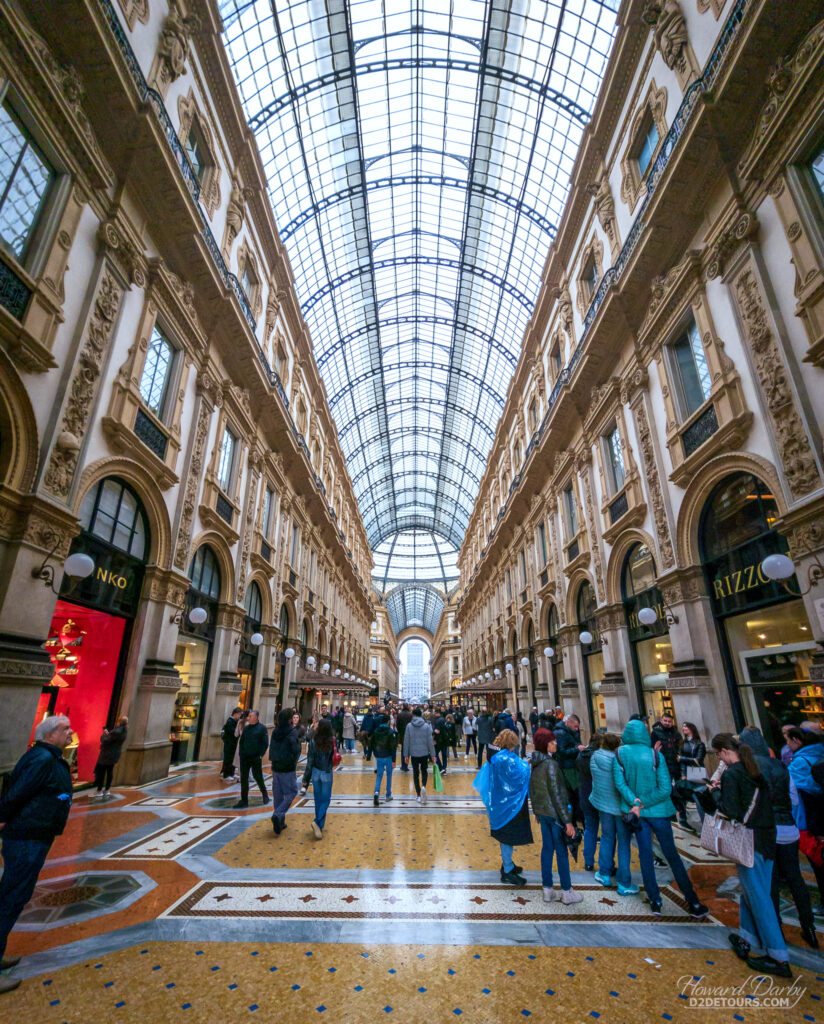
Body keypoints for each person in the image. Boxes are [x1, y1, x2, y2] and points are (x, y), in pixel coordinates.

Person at [0, 716, 74, 994]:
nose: (70, 733)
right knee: (10, 897)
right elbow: (15, 794)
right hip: (27, 837)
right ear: (50, 734)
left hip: (35, 834)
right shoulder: (42, 759)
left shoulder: (46, 757)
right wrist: (3, 818)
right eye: (65, 729)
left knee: (14, 895)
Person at [711, 733, 790, 977]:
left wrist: (713, 794)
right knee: (753, 891)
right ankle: (747, 938)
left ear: (724, 752)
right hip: (767, 837)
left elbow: (730, 810)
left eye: (717, 755)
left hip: (749, 840)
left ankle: (778, 956)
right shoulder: (755, 770)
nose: (718, 759)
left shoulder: (733, 773)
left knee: (759, 898)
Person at [613, 719, 708, 919]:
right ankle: (693, 901)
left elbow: (620, 784)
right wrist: (645, 802)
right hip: (659, 813)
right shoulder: (656, 755)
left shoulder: (620, 754)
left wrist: (636, 803)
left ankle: (655, 900)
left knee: (646, 856)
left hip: (637, 814)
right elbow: (665, 789)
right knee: (672, 855)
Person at [739, 726, 817, 949]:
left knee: (768, 883)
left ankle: (775, 934)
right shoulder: (782, 767)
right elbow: (793, 800)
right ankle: (809, 927)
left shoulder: (749, 768)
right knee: (795, 879)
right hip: (788, 830)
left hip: (764, 831)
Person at [474, 729, 533, 886]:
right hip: (509, 805)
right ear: (511, 743)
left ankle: (508, 864)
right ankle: (507, 871)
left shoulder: (495, 755)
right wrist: (526, 765)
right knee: (508, 836)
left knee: (505, 835)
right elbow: (518, 774)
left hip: (499, 802)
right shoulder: (505, 758)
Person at [529, 727, 581, 903]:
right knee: (561, 852)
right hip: (555, 816)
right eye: (552, 742)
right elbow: (557, 794)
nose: (556, 744)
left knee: (547, 849)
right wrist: (567, 821)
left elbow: (533, 790)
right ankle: (567, 891)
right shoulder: (550, 765)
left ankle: (547, 889)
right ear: (545, 745)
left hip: (543, 813)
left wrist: (537, 811)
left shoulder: (535, 762)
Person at [589, 732, 638, 895]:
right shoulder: (619, 760)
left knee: (606, 836)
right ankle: (624, 882)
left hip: (603, 805)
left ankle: (604, 873)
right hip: (620, 807)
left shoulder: (594, 757)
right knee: (624, 842)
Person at [788, 726, 824, 908]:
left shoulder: (799, 764)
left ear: (796, 740)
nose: (786, 744)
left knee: (818, 862)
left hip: (812, 820)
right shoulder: (819, 754)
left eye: (787, 740)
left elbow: (795, 796)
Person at [300, 719, 336, 839]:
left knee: (318, 800)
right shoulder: (332, 741)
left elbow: (309, 762)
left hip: (315, 772)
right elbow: (333, 759)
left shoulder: (313, 741)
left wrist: (305, 779)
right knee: (326, 800)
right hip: (326, 773)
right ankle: (317, 822)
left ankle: (319, 827)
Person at [268, 708, 301, 835]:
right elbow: (295, 749)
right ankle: (278, 814)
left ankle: (280, 823)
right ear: (289, 719)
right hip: (287, 767)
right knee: (292, 792)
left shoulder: (276, 731)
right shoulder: (292, 732)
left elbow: (272, 747)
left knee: (278, 795)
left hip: (276, 767)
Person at [651, 712, 686, 827]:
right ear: (661, 720)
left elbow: (680, 746)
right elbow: (652, 748)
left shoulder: (675, 733)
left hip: (676, 764)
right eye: (665, 720)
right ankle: (671, 812)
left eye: (669, 721)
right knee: (668, 789)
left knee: (680, 788)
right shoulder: (656, 733)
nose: (667, 723)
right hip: (664, 765)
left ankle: (682, 812)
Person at [233, 710, 269, 809]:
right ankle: (244, 800)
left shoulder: (262, 728)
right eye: (248, 716)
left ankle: (265, 794)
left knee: (258, 777)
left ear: (256, 717)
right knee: (244, 779)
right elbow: (242, 741)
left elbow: (265, 743)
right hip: (245, 757)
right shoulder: (247, 728)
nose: (248, 718)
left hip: (255, 757)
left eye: (250, 716)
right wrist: (241, 754)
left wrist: (260, 755)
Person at [576, 733, 601, 871]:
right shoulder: (599, 757)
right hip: (600, 797)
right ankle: (606, 864)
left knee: (590, 828)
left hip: (585, 795)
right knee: (608, 833)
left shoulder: (580, 756)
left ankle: (588, 862)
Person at [402, 706, 436, 803]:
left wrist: (406, 755)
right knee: (424, 771)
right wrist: (433, 754)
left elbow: (406, 742)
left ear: (413, 715)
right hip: (424, 753)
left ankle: (418, 795)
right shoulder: (426, 726)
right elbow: (430, 742)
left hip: (414, 754)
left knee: (415, 773)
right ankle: (424, 786)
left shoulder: (409, 726)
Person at [554, 715, 584, 823]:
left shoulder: (569, 732)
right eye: (575, 726)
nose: (577, 729)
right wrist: (577, 749)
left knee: (574, 796)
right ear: (569, 722)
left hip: (572, 766)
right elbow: (561, 752)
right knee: (574, 795)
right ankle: (574, 822)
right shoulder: (561, 733)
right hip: (568, 768)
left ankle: (575, 820)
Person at [677, 722, 707, 828]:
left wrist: (683, 759)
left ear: (691, 729)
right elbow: (680, 760)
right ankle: (683, 818)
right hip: (686, 774)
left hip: (697, 774)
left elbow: (698, 760)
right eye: (683, 726)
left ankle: (705, 824)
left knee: (699, 798)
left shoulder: (699, 744)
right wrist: (683, 773)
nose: (683, 728)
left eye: (686, 726)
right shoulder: (682, 743)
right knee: (681, 796)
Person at [93, 716, 128, 798]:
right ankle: (107, 790)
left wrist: (105, 734)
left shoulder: (117, 731)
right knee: (109, 771)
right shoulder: (124, 730)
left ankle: (99, 790)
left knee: (101, 771)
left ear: (118, 722)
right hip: (115, 754)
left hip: (107, 754)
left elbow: (105, 741)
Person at [371, 713, 397, 806]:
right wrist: (394, 760)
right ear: (388, 721)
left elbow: (372, 743)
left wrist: (375, 753)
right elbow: (393, 747)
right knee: (389, 775)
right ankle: (388, 795)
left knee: (379, 775)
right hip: (388, 756)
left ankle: (376, 793)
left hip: (379, 756)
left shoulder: (376, 731)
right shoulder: (391, 732)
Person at [220, 707, 242, 780]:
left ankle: (231, 773)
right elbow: (234, 733)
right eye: (239, 714)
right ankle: (226, 775)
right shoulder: (230, 721)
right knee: (228, 759)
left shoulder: (234, 721)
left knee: (233, 759)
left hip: (233, 744)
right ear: (235, 714)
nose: (240, 716)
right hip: (229, 744)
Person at [396, 703, 413, 771]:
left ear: (403, 707)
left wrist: (400, 732)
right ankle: (406, 765)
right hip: (409, 734)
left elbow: (397, 725)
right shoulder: (411, 714)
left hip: (402, 734)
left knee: (403, 749)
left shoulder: (400, 714)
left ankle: (403, 765)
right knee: (408, 749)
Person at [433, 708, 449, 774]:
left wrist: (434, 738)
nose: (434, 714)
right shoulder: (444, 719)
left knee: (435, 754)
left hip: (439, 740)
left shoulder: (438, 721)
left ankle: (441, 768)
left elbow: (437, 731)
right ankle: (444, 768)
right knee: (444, 754)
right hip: (445, 739)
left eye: (435, 713)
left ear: (437, 713)